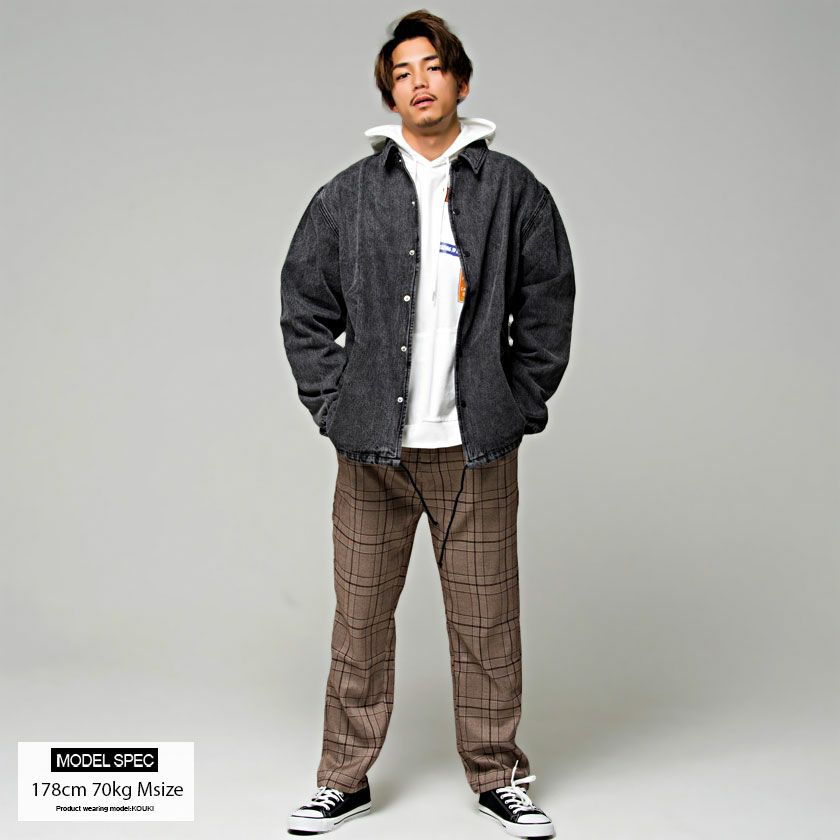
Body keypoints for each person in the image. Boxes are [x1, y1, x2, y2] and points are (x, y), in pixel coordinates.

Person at [280, 9, 575, 838]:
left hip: (474, 450)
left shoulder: (513, 191)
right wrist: (335, 407)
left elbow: (548, 302)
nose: (418, 82)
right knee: (360, 623)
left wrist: (518, 403)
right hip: (373, 451)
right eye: (402, 71)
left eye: (433, 66)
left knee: (487, 625)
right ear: (390, 93)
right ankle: (343, 779)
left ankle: (499, 776)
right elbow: (303, 306)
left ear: (460, 81)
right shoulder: (346, 196)